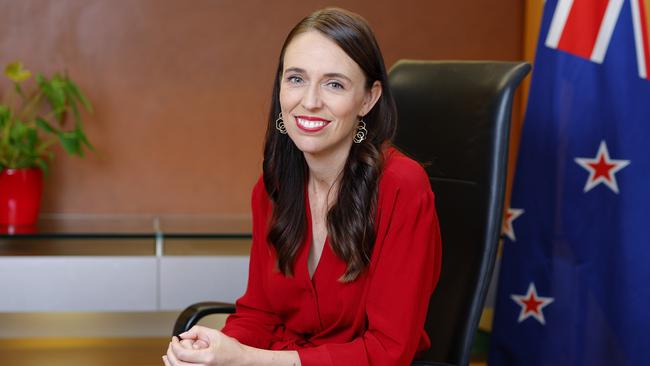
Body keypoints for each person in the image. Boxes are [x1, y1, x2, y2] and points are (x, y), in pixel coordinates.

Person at [163, 7, 442, 366]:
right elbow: (260, 314)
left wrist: (246, 359)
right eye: (296, 79)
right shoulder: (273, 187)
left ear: (368, 99)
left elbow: (388, 351)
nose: (309, 101)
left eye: (334, 84)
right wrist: (215, 350)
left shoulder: (402, 186)